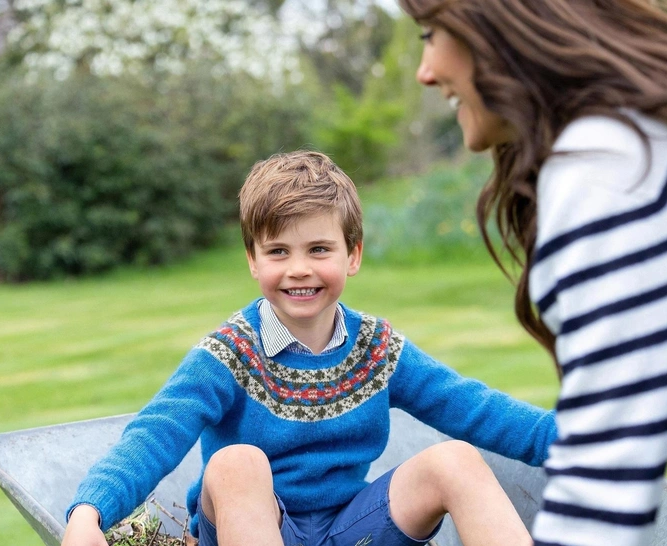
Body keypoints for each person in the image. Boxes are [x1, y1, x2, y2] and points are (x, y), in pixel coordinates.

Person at [60, 150, 556, 546]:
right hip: (252, 526)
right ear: (253, 261)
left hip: (349, 526)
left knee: (456, 459)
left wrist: (586, 441)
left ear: (353, 254)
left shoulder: (376, 349)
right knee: (237, 463)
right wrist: (89, 512)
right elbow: (156, 432)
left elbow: (474, 407)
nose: (299, 268)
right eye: (278, 251)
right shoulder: (229, 353)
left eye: (319, 249)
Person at [396, 0, 667, 545]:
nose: (425, 71)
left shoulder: (609, 176)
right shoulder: (651, 135)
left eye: (430, 34)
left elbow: (599, 505)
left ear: (495, 24)